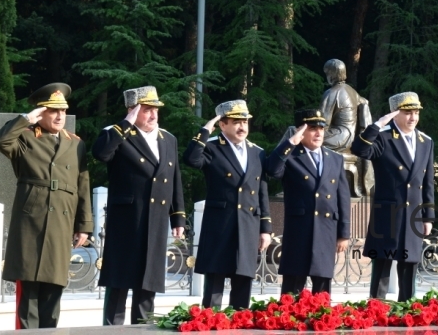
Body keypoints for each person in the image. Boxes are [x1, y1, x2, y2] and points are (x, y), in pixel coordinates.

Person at [0, 83, 92, 329]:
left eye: (63, 111)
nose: (60, 116)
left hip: (62, 219)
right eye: (52, 110)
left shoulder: (75, 143)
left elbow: (83, 184)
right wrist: (26, 119)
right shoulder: (26, 137)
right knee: (30, 287)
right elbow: (0, 140)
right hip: (32, 220)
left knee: (54, 285)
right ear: (41, 112)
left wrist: (84, 225)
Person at [92, 86, 185, 325]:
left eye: (155, 110)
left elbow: (174, 179)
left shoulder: (168, 139)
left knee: (148, 284)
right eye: (146, 110)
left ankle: (143, 329)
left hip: (156, 218)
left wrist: (178, 217)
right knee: (119, 282)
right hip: (127, 219)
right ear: (132, 111)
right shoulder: (117, 133)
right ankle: (112, 331)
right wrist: (125, 124)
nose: (153, 115)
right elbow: (101, 154)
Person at [182, 100, 272, 309]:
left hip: (248, 225)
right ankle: (209, 325)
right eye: (236, 122)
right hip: (220, 226)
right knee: (214, 285)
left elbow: (262, 191)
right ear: (222, 125)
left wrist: (265, 228)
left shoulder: (256, 151)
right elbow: (192, 160)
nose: (242, 127)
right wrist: (205, 131)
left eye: (245, 122)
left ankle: (240, 326)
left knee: (243, 283)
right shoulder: (212, 147)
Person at [351, 92, 435, 301]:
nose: (413, 117)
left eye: (416, 112)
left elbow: (428, 183)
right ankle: (376, 309)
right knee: (382, 266)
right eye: (407, 112)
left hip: (413, 214)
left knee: (409, 266)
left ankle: (407, 310)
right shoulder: (383, 136)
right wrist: (376, 125)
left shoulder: (425, 141)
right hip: (388, 213)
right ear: (395, 114)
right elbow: (360, 149)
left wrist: (428, 216)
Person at [265, 109, 351, 296]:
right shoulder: (291, 156)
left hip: (326, 229)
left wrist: (344, 233)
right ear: (300, 131)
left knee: (322, 287)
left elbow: (342, 197)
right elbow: (272, 171)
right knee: (293, 287)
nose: (319, 133)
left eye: (321, 127)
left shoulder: (335, 158)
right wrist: (290, 144)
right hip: (299, 230)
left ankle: (321, 321)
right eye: (312, 128)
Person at [319, 59, 374, 197]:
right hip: (352, 138)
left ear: (331, 74)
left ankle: (290, 183)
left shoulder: (332, 93)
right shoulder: (353, 92)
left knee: (294, 133)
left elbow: (321, 124)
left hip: (338, 137)